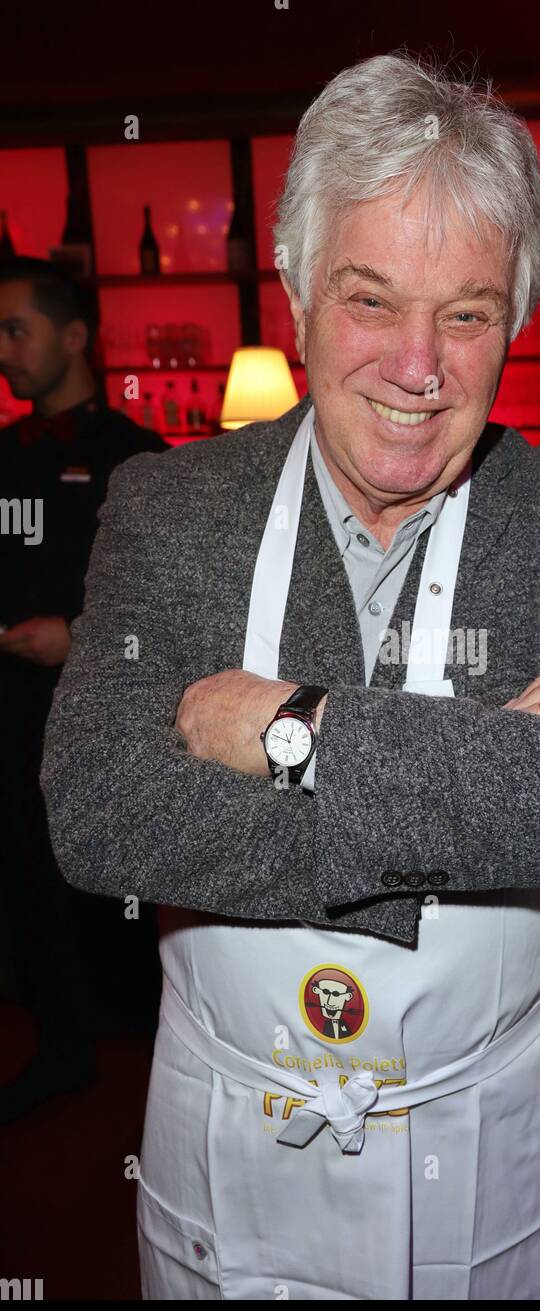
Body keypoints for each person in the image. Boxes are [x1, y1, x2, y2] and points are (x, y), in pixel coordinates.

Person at [40, 52, 540, 1301]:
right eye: (369, 299)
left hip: (491, 1132)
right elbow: (100, 810)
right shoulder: (171, 508)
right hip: (234, 1126)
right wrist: (489, 761)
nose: (417, 366)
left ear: (517, 316)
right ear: (292, 288)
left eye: (466, 312)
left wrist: (292, 729)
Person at [0, 257, 167, 1123]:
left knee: (108, 876)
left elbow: (175, 606)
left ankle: (146, 1046)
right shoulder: (5, 454)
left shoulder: (137, 461)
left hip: (107, 710)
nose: (4, 352)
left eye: (15, 330)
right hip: (14, 711)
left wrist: (77, 636)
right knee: (28, 874)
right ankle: (60, 1042)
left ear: (72, 337)